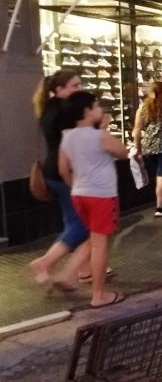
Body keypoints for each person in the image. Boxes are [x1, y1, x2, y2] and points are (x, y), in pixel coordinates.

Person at [59, 91, 129, 308]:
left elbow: (63, 169)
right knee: (100, 245)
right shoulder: (99, 136)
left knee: (92, 238)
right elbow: (123, 152)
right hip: (101, 195)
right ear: (88, 111)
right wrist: (104, 130)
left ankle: (69, 274)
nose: (101, 110)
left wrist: (76, 185)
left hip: (79, 194)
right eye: (97, 106)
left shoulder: (67, 136)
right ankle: (99, 295)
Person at [29, 70, 94, 287]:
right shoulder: (65, 112)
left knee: (73, 222)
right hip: (65, 173)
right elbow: (70, 147)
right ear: (59, 89)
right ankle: (45, 262)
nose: (79, 89)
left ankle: (80, 270)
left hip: (50, 172)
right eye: (74, 86)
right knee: (83, 226)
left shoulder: (48, 108)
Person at [133, 81, 162, 217]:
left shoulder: (143, 107)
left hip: (148, 146)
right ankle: (160, 207)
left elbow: (137, 130)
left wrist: (137, 148)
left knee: (159, 174)